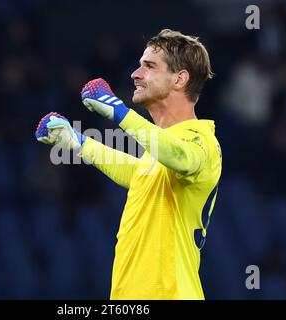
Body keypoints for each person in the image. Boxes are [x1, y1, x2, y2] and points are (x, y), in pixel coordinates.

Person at [35, 29, 222, 300]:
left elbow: (180, 157)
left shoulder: (202, 140)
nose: (135, 74)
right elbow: (136, 173)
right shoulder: (160, 152)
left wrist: (118, 110)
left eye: (149, 66)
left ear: (180, 79)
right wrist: (76, 141)